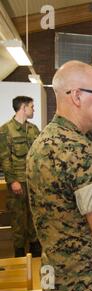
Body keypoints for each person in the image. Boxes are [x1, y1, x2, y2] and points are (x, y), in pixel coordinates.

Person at [26, 61, 92, 291]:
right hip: (88, 285)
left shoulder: (41, 143)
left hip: (53, 277)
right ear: (76, 96)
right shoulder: (82, 151)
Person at [0, 96, 41, 258]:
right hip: (17, 182)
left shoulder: (33, 129)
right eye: (31, 106)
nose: (33, 109)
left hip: (33, 182)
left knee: (34, 215)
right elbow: (4, 158)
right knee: (18, 218)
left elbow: (39, 154)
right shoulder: (5, 130)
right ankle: (19, 252)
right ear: (23, 108)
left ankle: (35, 248)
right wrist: (13, 181)